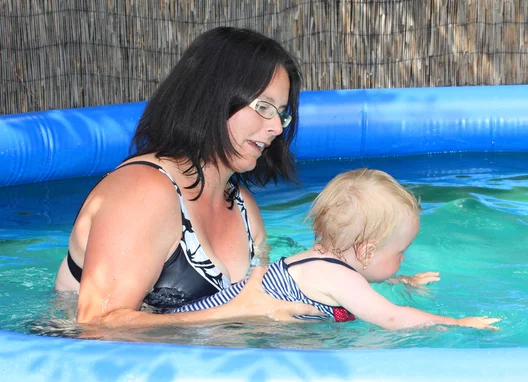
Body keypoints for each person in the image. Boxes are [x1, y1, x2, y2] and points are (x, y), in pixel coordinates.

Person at [54, 26, 324, 328]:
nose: (276, 127)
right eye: (263, 107)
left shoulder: (245, 210)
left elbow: (261, 307)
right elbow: (96, 325)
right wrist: (234, 312)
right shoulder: (142, 192)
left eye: (281, 113)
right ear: (212, 99)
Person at [172, 169, 501, 331]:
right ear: (368, 251)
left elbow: (360, 280)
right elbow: (390, 316)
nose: (404, 258)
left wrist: (401, 281)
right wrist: (455, 323)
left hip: (201, 315)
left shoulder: (320, 259)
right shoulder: (339, 277)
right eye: (401, 251)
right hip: (212, 332)